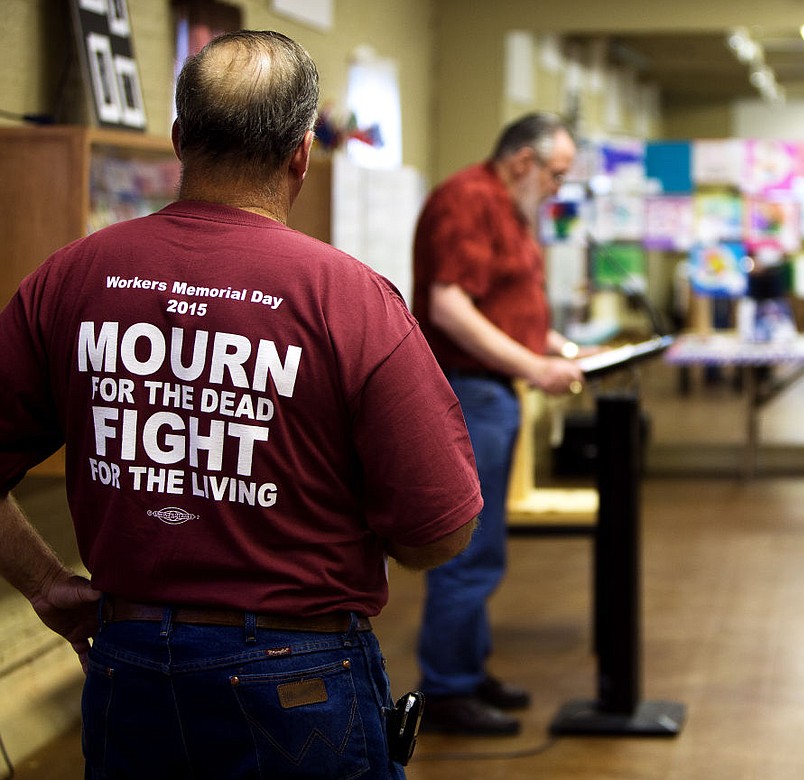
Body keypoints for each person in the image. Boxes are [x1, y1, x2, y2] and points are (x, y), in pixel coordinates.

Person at [0, 31, 481, 780]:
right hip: (298, 676)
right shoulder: (349, 299)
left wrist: (44, 582)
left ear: (180, 139)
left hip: (123, 664)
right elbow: (441, 532)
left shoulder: (71, 277)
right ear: (300, 153)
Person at [411, 112, 584, 735]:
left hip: (494, 388)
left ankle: (467, 668)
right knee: (471, 547)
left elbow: (507, 309)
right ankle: (449, 687)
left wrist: (559, 350)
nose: (558, 190)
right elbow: (449, 307)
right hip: (471, 392)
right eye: (556, 176)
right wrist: (535, 368)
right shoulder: (469, 199)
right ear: (522, 163)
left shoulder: (507, 205)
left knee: (485, 544)